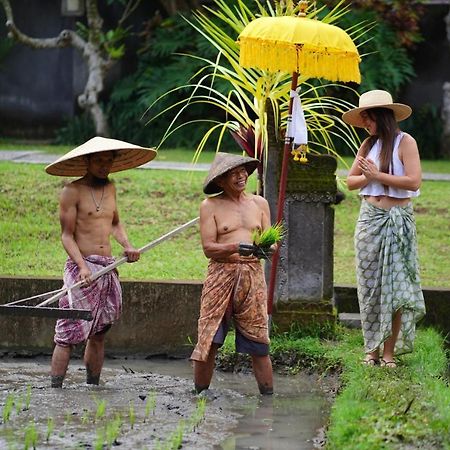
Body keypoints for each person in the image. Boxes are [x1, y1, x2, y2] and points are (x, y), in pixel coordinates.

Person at [45, 136, 156, 388]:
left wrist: (127, 247)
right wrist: (82, 267)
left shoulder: (111, 187)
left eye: (108, 161)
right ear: (87, 161)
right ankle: (55, 390)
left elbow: (115, 223)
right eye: (99, 161)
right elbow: (66, 235)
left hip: (107, 267)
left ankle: (93, 386)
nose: (104, 165)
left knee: (99, 332)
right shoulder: (71, 191)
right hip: (82, 268)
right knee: (67, 332)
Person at [343, 90, 426, 368]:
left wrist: (378, 175)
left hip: (397, 218)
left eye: (368, 119)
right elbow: (350, 181)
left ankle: (388, 353)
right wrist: (368, 177)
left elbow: (414, 182)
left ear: (381, 116)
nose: (365, 124)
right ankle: (372, 351)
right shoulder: (367, 145)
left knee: (396, 288)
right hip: (369, 219)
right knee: (370, 288)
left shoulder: (405, 142)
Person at [190, 152, 274, 395]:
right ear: (220, 181)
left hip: (252, 275)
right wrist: (234, 247)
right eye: (233, 173)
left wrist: (265, 247)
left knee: (259, 341)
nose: (241, 176)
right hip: (221, 275)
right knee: (210, 339)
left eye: (243, 171)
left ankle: (267, 398)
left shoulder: (260, 203)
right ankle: (199, 395)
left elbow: (271, 240)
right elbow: (208, 248)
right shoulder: (210, 206)